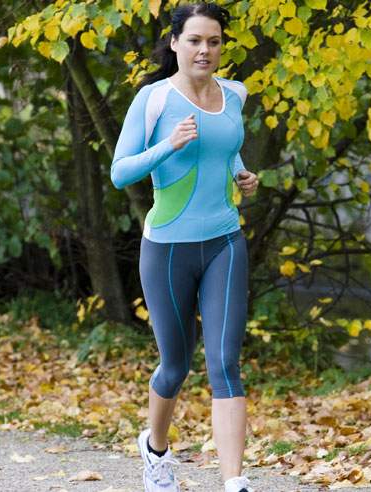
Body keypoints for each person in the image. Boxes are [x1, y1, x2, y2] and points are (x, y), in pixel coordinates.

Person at [109, 3, 259, 491]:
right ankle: (154, 449)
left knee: (224, 363)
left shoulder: (234, 94)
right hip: (168, 248)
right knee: (176, 364)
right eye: (194, 40)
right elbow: (120, 172)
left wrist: (240, 172)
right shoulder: (153, 100)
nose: (205, 50)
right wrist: (167, 146)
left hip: (224, 243)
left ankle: (234, 483)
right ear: (174, 43)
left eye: (213, 41)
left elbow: (228, 143)